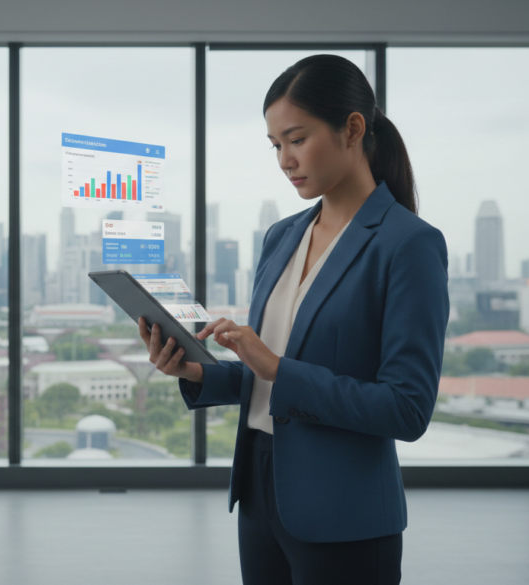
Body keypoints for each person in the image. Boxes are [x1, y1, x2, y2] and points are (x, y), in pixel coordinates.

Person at [138, 54, 449, 585]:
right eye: (275, 145)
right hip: (261, 492)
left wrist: (277, 368)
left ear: (353, 129)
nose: (285, 160)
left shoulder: (408, 245)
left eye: (297, 139)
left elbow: (406, 408)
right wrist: (198, 371)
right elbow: (269, 376)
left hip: (345, 512)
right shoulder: (281, 236)